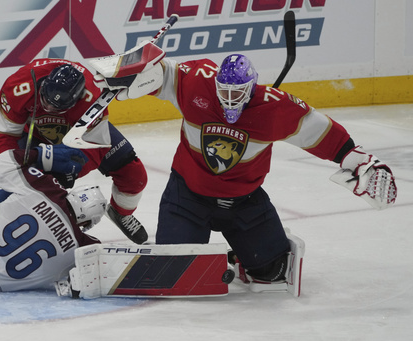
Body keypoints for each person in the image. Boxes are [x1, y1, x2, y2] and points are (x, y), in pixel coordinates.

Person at [90, 49, 397, 295]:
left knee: (272, 273)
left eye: (238, 93)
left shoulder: (275, 109)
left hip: (245, 202)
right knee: (176, 274)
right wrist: (126, 72)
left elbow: (321, 132)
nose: (230, 100)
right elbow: (161, 71)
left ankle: (243, 256)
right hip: (187, 197)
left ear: (252, 87)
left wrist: (356, 159)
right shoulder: (197, 82)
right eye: (225, 92)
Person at [0, 58, 148, 244]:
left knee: (134, 175)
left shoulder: (93, 99)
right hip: (34, 136)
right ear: (44, 85)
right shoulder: (18, 87)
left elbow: (96, 148)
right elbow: (4, 134)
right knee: (31, 189)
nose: (48, 108)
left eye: (55, 107)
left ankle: (120, 213)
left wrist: (72, 169)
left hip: (79, 132)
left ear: (78, 97)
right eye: (45, 101)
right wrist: (19, 168)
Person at [0, 145, 107, 291]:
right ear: (86, 222)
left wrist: (42, 155)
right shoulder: (83, 249)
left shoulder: (46, 187)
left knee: (17, 190)